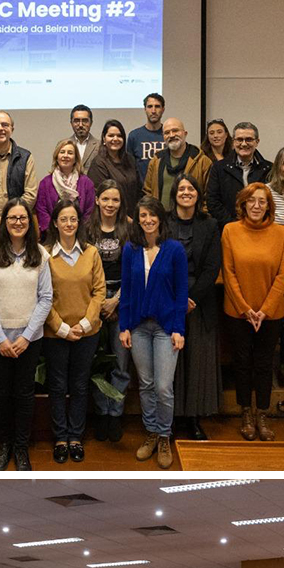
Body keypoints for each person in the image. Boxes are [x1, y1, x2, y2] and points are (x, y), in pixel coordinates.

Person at [0, 198, 53, 471]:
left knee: (24, 394)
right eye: (12, 218)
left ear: (29, 222)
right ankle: (4, 445)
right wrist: (0, 337)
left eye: (22, 218)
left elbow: (46, 298)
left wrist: (26, 336)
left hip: (28, 340)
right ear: (4, 222)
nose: (18, 222)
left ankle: (21, 447)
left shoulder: (41, 255)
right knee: (2, 393)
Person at [120, 196, 188, 468]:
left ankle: (164, 435)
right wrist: (124, 325)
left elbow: (182, 292)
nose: (147, 220)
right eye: (142, 216)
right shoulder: (131, 249)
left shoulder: (174, 250)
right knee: (146, 384)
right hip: (138, 327)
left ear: (160, 218)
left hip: (165, 328)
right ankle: (150, 432)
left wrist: (179, 328)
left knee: (163, 386)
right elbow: (126, 290)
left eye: (152, 215)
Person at [222, 181, 284, 442]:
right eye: (252, 200)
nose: (256, 205)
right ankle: (245, 413)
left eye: (262, 201)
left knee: (264, 365)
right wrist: (245, 309)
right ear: (243, 203)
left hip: (270, 314)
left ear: (269, 206)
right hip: (238, 312)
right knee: (242, 363)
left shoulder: (281, 234)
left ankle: (262, 413)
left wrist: (264, 310)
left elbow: (283, 275)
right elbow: (228, 273)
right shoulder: (230, 231)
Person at [44, 198, 105, 464]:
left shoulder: (91, 252)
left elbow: (99, 291)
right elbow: (42, 296)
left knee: (79, 385)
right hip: (55, 333)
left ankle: (75, 437)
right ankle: (60, 437)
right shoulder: (45, 254)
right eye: (63, 219)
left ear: (79, 222)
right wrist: (62, 328)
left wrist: (85, 324)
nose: (69, 223)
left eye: (73, 219)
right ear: (55, 223)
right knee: (57, 386)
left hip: (86, 333)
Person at [168, 175, 222, 441]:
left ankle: (193, 419)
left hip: (199, 302)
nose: (186, 192)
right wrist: (176, 299)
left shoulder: (210, 225)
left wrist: (192, 298)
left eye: (191, 189)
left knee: (196, 361)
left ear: (198, 195)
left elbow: (213, 267)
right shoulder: (164, 222)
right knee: (170, 360)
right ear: (174, 193)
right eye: (181, 189)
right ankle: (169, 419)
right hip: (167, 299)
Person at [86, 182, 133, 442]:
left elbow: (135, 270)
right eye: (105, 199)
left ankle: (115, 414)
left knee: (120, 363)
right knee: (97, 363)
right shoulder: (87, 229)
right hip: (94, 300)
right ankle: (101, 413)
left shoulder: (128, 228)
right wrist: (101, 302)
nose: (110, 204)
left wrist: (116, 301)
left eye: (115, 200)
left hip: (122, 299)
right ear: (97, 200)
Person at [206, 122, 273, 229]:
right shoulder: (219, 168)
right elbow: (212, 202)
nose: (244, 144)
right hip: (228, 229)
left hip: (260, 229)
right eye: (239, 140)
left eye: (249, 139)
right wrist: (233, 225)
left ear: (257, 142)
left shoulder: (269, 169)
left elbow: (271, 202)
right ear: (233, 142)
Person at [141, 118, 211, 210]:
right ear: (163, 137)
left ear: (185, 133)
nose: (171, 135)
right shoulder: (156, 161)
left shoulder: (202, 161)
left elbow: (209, 196)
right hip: (162, 221)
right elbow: (148, 192)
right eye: (167, 133)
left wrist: (201, 218)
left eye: (175, 130)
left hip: (191, 221)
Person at [35, 139, 96, 233]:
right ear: (56, 157)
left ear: (76, 158)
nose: (66, 156)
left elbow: (90, 211)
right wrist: (52, 231)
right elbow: (41, 209)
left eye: (70, 153)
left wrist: (78, 231)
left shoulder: (87, 183)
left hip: (81, 234)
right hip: (51, 235)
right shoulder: (45, 183)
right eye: (62, 152)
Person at [85, 120, 141, 222]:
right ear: (104, 139)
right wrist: (128, 220)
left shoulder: (130, 159)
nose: (115, 139)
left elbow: (137, 190)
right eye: (111, 135)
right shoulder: (98, 163)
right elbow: (102, 198)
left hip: (133, 217)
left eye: (119, 136)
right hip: (112, 219)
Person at [126, 92, 166, 180]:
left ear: (163, 109)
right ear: (145, 109)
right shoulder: (134, 136)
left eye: (157, 106)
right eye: (150, 106)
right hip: (141, 191)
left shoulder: (168, 135)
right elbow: (129, 168)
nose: (153, 111)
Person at [68, 104, 98, 169]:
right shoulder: (63, 145)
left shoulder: (100, 146)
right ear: (71, 123)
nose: (81, 125)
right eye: (76, 121)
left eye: (85, 121)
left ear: (91, 123)